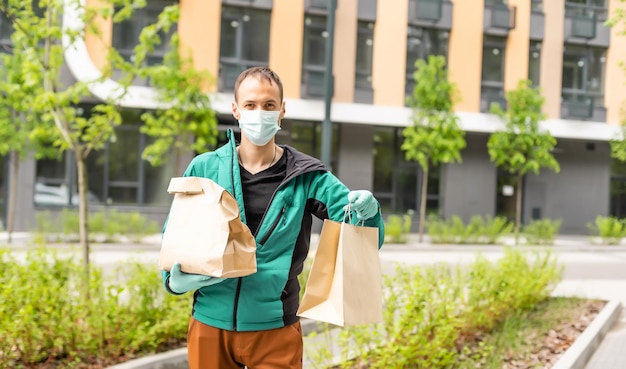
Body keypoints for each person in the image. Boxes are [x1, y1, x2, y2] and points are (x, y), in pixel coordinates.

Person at [161, 66, 385, 369]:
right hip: (209, 325)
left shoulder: (308, 177)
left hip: (275, 328)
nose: (259, 113)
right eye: (250, 105)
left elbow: (364, 238)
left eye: (268, 105)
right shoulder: (204, 168)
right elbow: (175, 235)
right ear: (236, 110)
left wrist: (369, 214)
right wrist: (172, 280)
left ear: (282, 110)